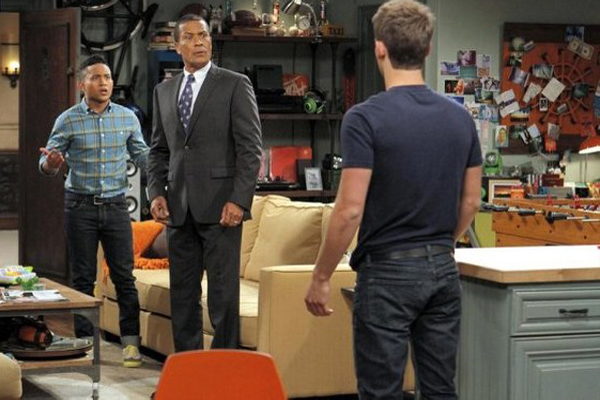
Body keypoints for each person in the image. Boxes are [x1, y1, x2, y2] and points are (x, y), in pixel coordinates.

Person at [304, 1, 482, 399]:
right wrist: (441, 244)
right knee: (440, 389)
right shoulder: (460, 119)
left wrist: (321, 276)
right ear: (428, 49)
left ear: (379, 48)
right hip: (442, 268)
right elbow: (472, 202)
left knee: (381, 391)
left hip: (386, 273)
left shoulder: (364, 118)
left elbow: (350, 210)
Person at [146, 14, 262, 351]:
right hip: (178, 210)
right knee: (183, 297)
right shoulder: (163, 91)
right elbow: (159, 150)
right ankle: (189, 369)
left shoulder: (234, 84)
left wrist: (239, 200)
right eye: (190, 37)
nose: (198, 42)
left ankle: (224, 369)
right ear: (176, 45)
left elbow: (250, 149)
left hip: (222, 208)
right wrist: (156, 192)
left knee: (223, 298)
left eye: (204, 35)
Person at [39, 54, 149, 368]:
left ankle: (131, 345)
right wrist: (51, 164)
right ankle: (87, 345)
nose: (104, 83)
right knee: (83, 279)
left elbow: (141, 156)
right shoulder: (68, 119)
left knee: (124, 278)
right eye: (96, 77)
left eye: (108, 77)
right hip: (80, 207)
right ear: (82, 84)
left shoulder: (127, 118)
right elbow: (46, 162)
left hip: (116, 207)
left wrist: (165, 166)